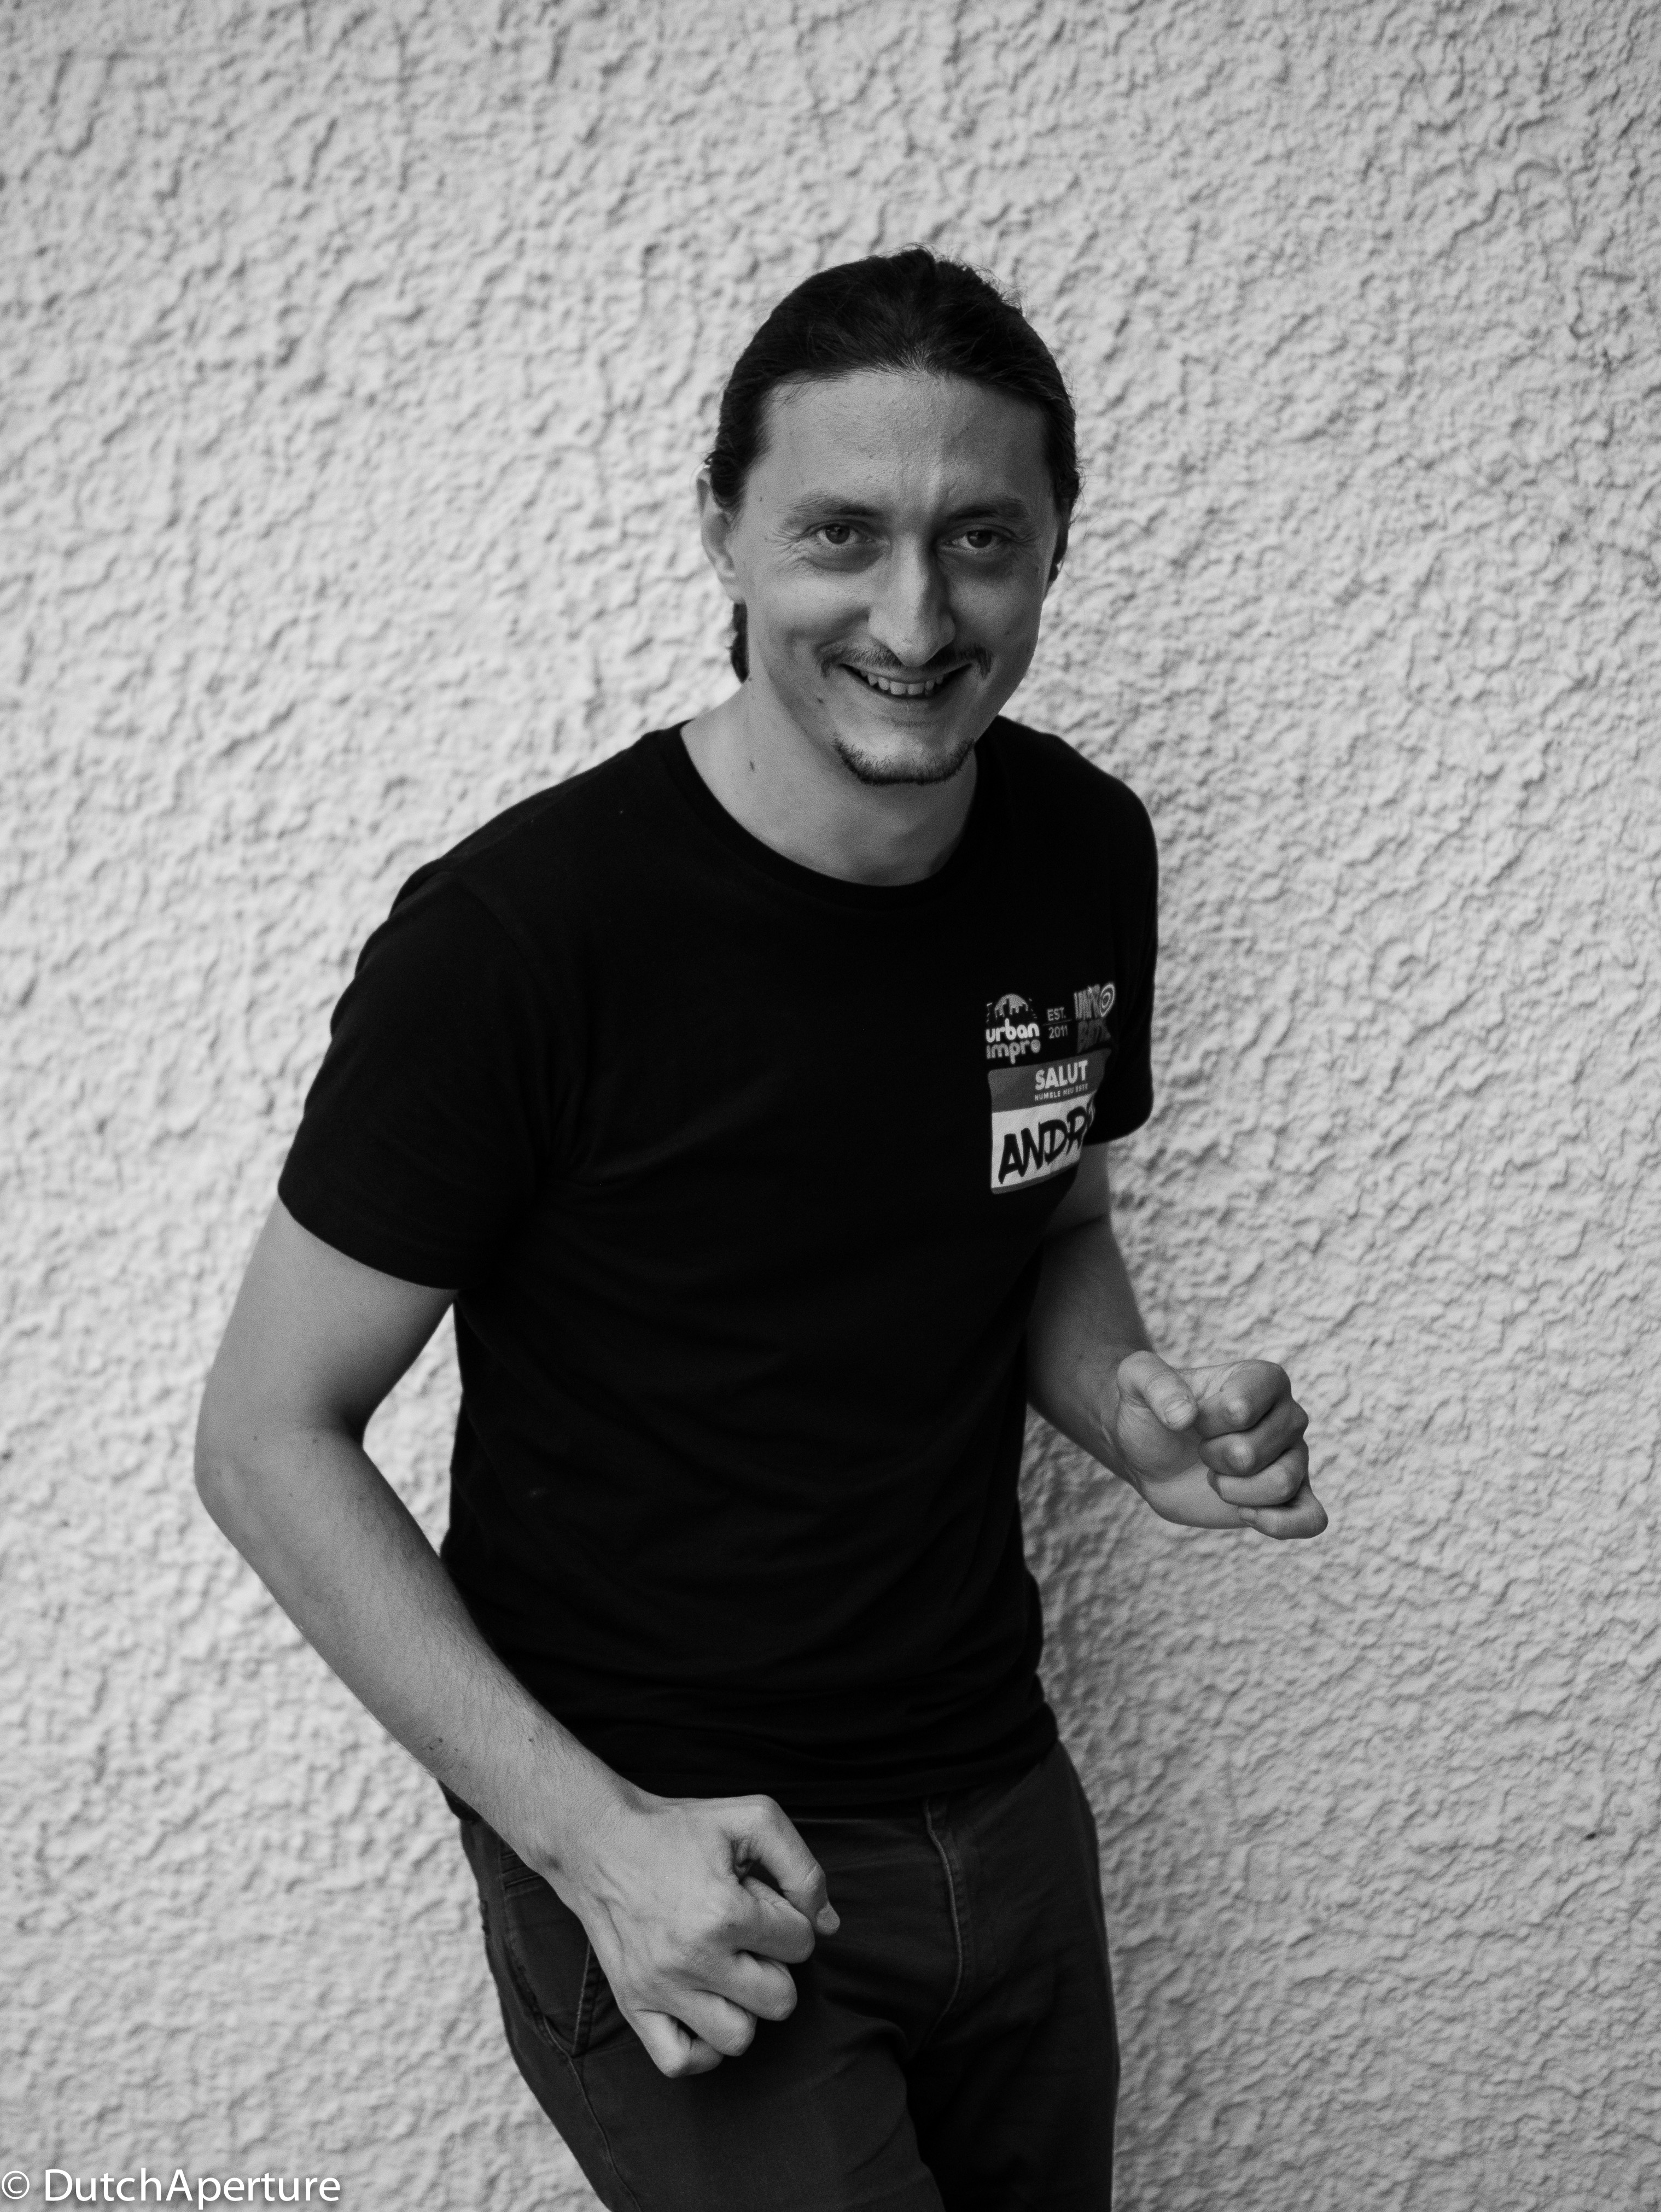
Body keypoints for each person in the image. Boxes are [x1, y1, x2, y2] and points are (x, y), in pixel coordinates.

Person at [195, 248, 1326, 2212]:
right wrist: (588, 1843)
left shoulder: (1083, 848)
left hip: (1004, 1798)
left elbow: (1048, 1210)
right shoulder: (521, 940)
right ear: (722, 529)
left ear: (1057, 546)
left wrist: (1130, 1414)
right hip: (687, 1855)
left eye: (981, 538)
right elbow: (264, 1439)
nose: (915, 614)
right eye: (840, 534)